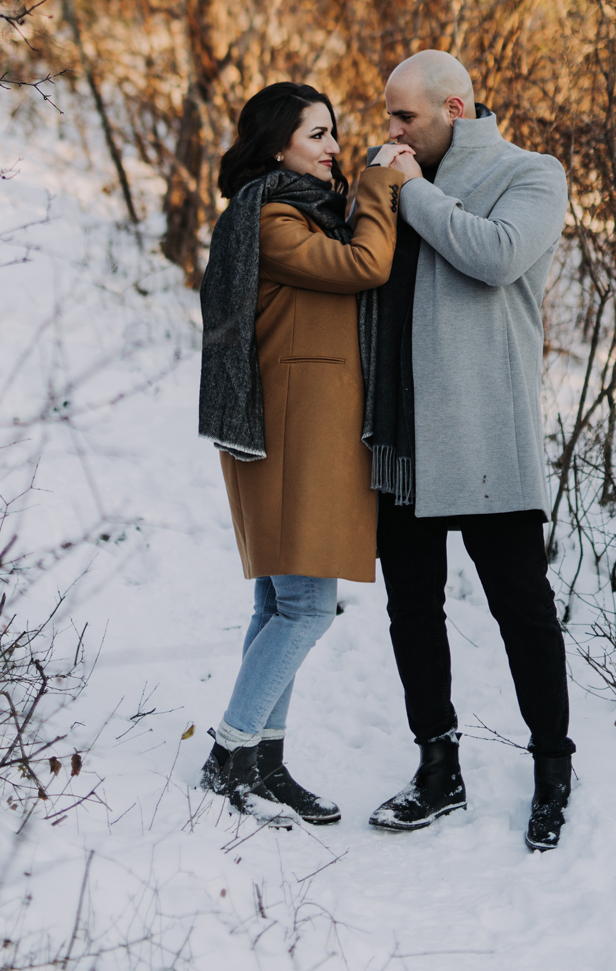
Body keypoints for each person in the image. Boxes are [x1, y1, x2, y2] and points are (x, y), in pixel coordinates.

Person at [361, 50, 574, 850]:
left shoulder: (531, 174)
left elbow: (492, 257)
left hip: (485, 433)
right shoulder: (393, 176)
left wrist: (409, 190)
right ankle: (437, 768)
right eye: (387, 118)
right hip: (402, 436)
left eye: (404, 117)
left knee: (523, 610)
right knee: (412, 608)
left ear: (453, 108)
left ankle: (553, 769)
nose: (391, 133)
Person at [197, 81, 414, 825]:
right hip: (288, 436)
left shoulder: (293, 212)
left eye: (333, 134)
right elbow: (365, 267)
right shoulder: (275, 218)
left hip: (298, 433)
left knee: (279, 602)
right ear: (277, 144)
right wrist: (383, 183)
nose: (333, 147)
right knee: (307, 607)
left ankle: (264, 760)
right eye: (316, 135)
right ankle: (230, 754)